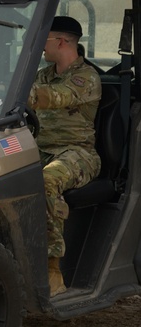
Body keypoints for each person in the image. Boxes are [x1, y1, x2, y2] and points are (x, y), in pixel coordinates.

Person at [28, 16, 100, 296]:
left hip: (77, 154)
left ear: (61, 41)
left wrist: (13, 93)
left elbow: (56, 97)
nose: (39, 47)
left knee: (47, 180)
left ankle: (52, 269)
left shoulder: (87, 78)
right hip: (40, 149)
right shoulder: (44, 74)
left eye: (43, 39)